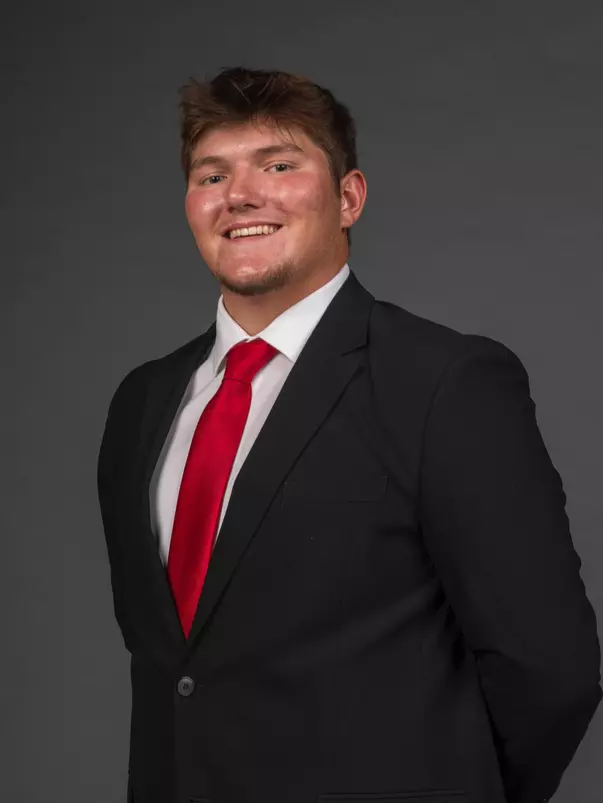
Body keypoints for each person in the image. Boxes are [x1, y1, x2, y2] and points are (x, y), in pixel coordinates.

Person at [96, 67, 601, 803]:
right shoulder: (142, 401)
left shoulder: (443, 381)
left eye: (278, 164)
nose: (240, 194)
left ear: (347, 198)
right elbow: (174, 666)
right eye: (212, 173)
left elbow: (547, 664)